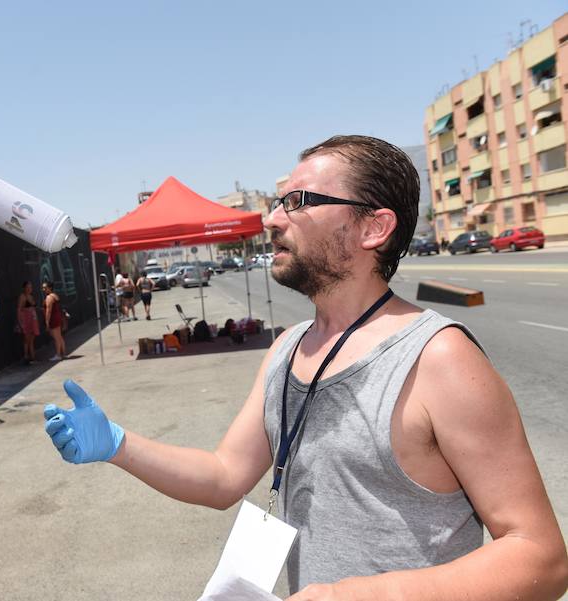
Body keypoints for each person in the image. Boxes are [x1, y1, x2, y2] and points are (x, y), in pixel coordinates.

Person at [42, 135, 568, 599]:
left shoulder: (439, 359)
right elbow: (225, 477)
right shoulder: (287, 349)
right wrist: (118, 444)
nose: (272, 219)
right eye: (277, 203)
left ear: (373, 227)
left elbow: (539, 556)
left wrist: (361, 596)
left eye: (297, 202)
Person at [41, 280, 66, 361]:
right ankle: (63, 353)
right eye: (43, 288)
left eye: (45, 288)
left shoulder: (49, 297)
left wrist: (47, 322)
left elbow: (48, 310)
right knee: (59, 336)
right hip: (58, 317)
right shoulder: (55, 295)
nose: (43, 289)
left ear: (50, 288)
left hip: (53, 319)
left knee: (56, 337)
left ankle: (58, 354)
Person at [16, 281, 39, 364]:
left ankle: (32, 357)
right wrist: (20, 323)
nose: (30, 289)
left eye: (31, 287)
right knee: (26, 340)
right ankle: (26, 357)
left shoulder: (31, 296)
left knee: (31, 340)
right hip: (26, 321)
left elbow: (33, 306)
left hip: (33, 321)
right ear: (24, 288)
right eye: (28, 287)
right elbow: (19, 309)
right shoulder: (22, 297)